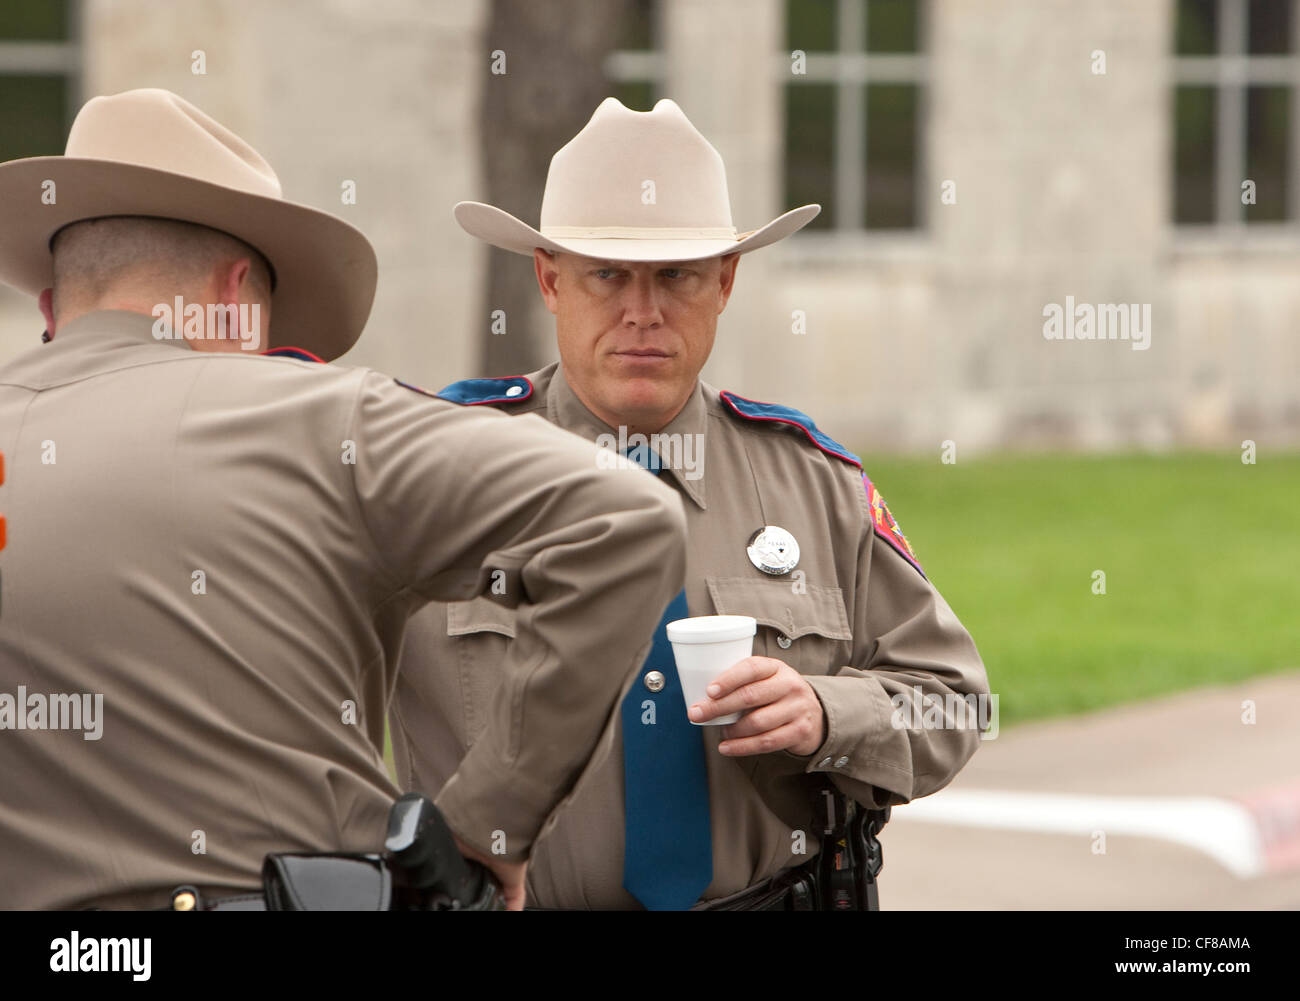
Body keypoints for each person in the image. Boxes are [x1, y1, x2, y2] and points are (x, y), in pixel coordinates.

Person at [0, 89, 687, 910]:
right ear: (235, 293)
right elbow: (628, 519)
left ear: (50, 305)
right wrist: (482, 829)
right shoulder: (329, 419)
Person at [391, 98, 991, 910]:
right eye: (608, 274)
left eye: (676, 275)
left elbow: (955, 701)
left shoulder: (812, 482)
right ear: (548, 279)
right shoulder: (431, 478)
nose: (643, 312)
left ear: (726, 282)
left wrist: (827, 710)